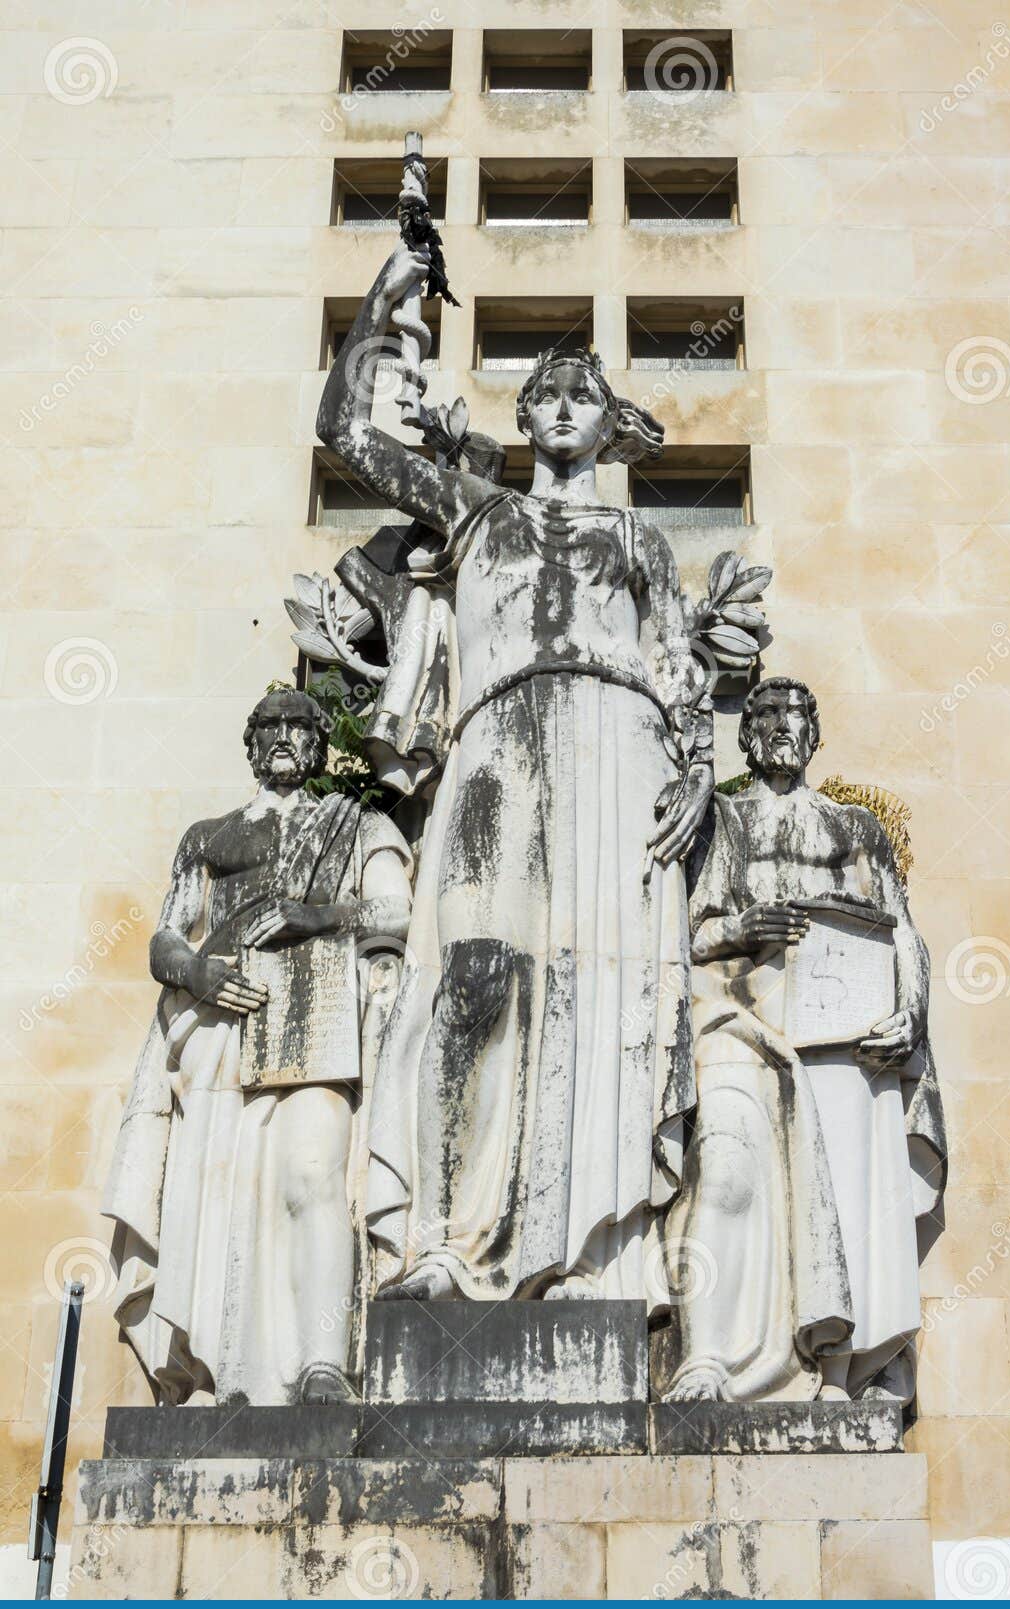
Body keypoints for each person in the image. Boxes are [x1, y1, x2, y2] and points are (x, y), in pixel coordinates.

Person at [317, 242, 715, 1301]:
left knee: (603, 992)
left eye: (581, 395)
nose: (558, 405)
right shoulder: (475, 509)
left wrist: (698, 769)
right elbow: (348, 434)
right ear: (525, 419)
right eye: (541, 394)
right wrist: (380, 306)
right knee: (474, 975)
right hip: (497, 741)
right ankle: (444, 1234)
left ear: (606, 422)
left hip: (620, 748)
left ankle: (591, 1250)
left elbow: (677, 667)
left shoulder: (637, 539)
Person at [104, 689, 412, 1404]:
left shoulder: (356, 825)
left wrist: (317, 915)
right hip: (217, 1030)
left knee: (313, 1176)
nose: (282, 737)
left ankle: (322, 1364)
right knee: (217, 1195)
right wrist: (195, 972)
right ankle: (226, 1371)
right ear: (251, 743)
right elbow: (166, 935)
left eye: (299, 727)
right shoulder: (210, 835)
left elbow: (395, 909)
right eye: (269, 726)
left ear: (316, 745)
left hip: (318, 1012)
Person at [665, 677, 946, 1403]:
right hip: (746, 1024)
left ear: (814, 734)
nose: (781, 730)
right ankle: (714, 1353)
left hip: (843, 1036)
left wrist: (910, 1010)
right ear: (748, 737)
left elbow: (902, 931)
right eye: (766, 719)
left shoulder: (855, 829)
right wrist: (740, 928)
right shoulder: (722, 822)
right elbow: (686, 932)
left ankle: (849, 1366)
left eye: (795, 719)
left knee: (853, 1190)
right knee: (725, 1170)